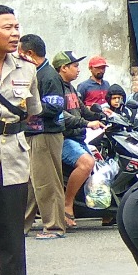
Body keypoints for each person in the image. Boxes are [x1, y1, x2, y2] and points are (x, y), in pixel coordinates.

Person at [0, 5, 52, 275]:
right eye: (8, 27)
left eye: (17, 27)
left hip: (12, 157)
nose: (15, 33)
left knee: (11, 237)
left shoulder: (26, 69)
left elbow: (32, 110)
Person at [18, 34, 68, 240]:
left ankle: (54, 226)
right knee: (30, 183)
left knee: (47, 182)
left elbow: (55, 106)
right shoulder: (32, 73)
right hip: (31, 133)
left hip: (46, 135)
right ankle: (20, 226)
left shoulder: (48, 75)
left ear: (29, 54)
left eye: (20, 53)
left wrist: (28, 108)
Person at [53, 51, 105, 227]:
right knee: (87, 163)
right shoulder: (57, 87)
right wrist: (87, 123)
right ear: (63, 68)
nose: (78, 70)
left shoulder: (71, 88)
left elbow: (82, 110)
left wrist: (102, 115)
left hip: (78, 138)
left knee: (99, 166)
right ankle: (67, 204)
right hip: (65, 138)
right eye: (75, 66)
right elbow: (61, 115)